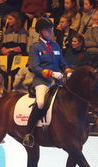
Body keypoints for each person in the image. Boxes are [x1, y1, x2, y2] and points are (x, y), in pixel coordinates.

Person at [23, 18, 72, 147]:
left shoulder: (56, 45)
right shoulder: (35, 47)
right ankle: (28, 134)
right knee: (40, 103)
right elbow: (34, 66)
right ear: (40, 32)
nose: (50, 32)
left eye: (51, 29)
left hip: (57, 81)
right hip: (42, 81)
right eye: (47, 30)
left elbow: (62, 62)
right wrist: (51, 73)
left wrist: (68, 71)